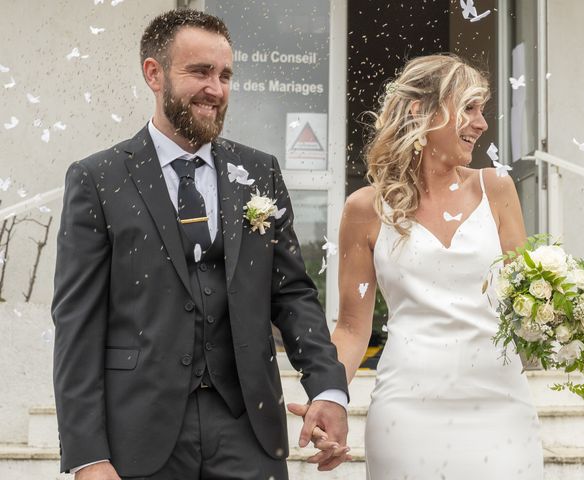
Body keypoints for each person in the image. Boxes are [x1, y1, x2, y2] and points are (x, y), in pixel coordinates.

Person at [52, 9, 349, 480]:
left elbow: (293, 295)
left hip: (247, 428)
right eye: (200, 72)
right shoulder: (98, 178)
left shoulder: (259, 172)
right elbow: (77, 324)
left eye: (225, 75)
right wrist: (88, 455)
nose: (216, 88)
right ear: (154, 73)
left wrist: (328, 391)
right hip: (140, 433)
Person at [332, 55, 544, 478]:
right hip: (407, 412)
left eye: (481, 109)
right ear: (421, 111)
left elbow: (528, 301)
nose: (482, 123)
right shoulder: (364, 210)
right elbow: (353, 329)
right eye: (469, 107)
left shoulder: (496, 189)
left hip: (501, 406)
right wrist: (330, 397)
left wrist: (568, 322)